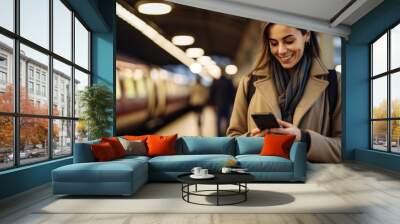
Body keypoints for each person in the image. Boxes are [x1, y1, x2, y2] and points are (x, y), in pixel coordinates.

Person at [227, 23, 341, 163]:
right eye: (274, 43)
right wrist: (253, 139)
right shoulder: (249, 83)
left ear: (307, 35)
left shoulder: (335, 82)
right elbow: (231, 141)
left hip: (312, 180)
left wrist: (304, 138)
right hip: (264, 177)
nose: (281, 50)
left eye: (289, 41)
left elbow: (344, 148)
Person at [209, 72, 236, 136]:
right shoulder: (229, 81)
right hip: (227, 103)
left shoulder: (215, 81)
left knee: (218, 120)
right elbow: (232, 93)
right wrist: (232, 103)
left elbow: (212, 93)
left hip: (218, 104)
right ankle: (227, 133)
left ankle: (218, 134)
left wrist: (212, 104)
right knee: (227, 120)